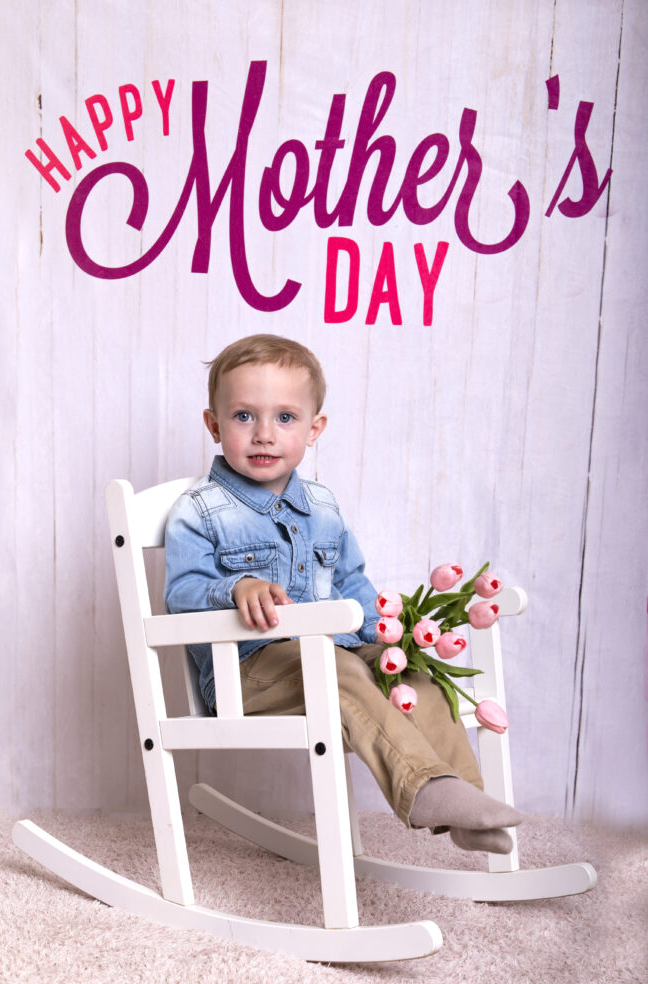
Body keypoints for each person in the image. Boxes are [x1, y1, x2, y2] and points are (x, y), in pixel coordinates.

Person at [164, 334, 522, 854]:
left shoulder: (322, 506)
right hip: (249, 673)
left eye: (285, 417)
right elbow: (182, 592)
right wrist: (236, 586)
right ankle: (422, 789)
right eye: (243, 416)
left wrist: (389, 636)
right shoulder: (199, 509)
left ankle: (464, 798)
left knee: (409, 676)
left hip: (336, 655)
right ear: (214, 425)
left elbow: (351, 582)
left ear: (314, 429)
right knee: (339, 671)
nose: (264, 434)